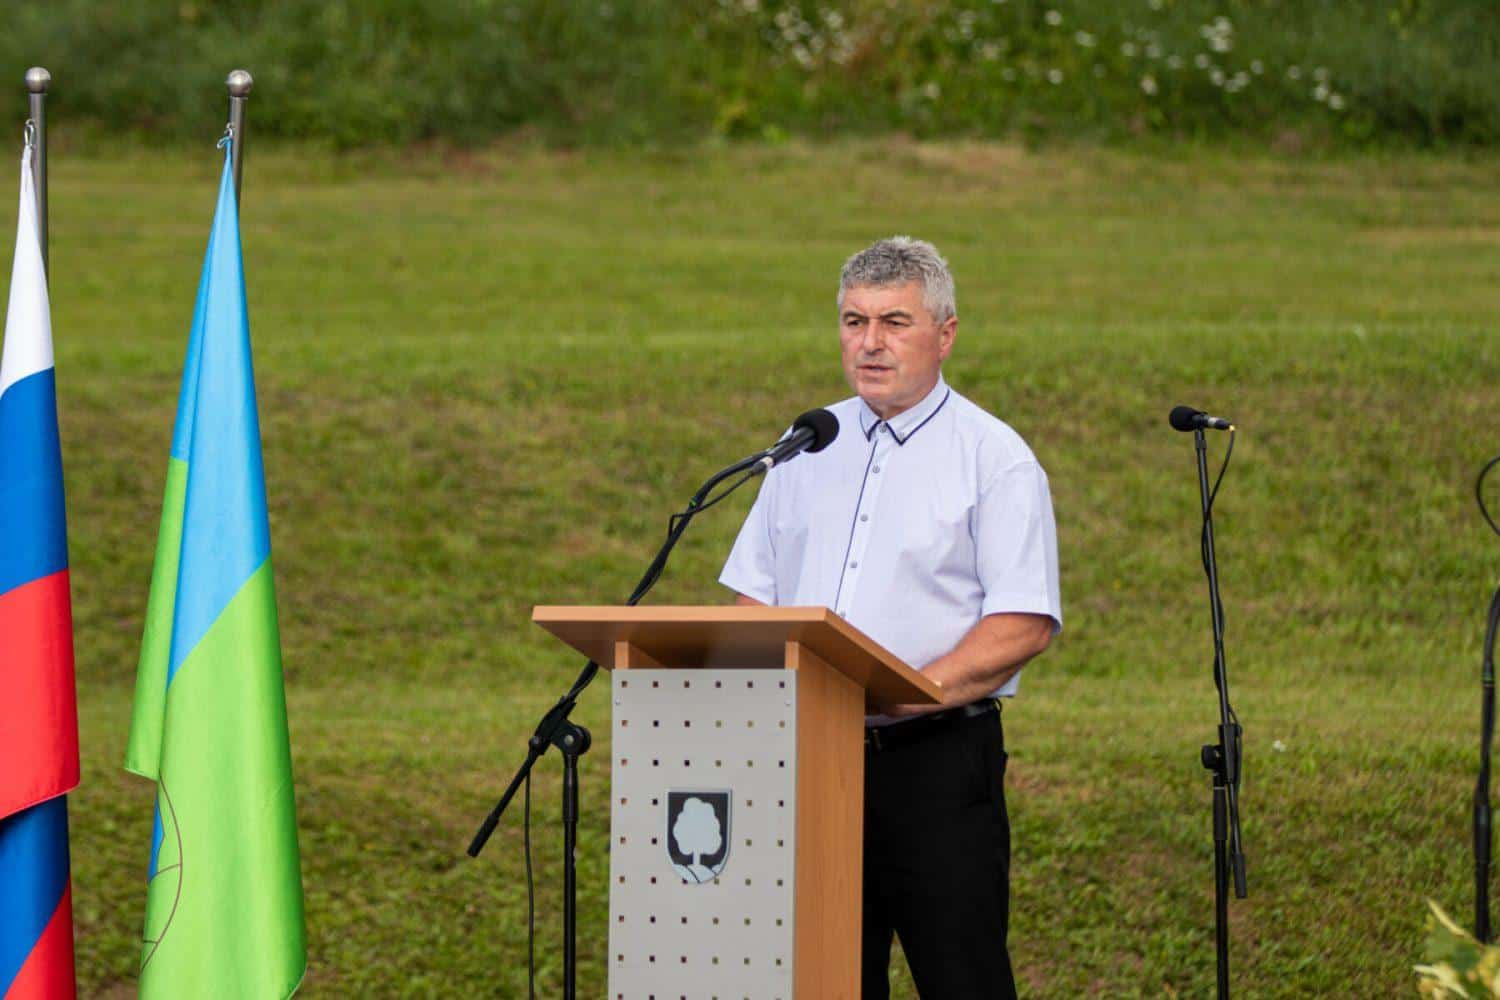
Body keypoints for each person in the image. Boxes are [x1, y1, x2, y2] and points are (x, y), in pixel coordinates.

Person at [719, 236, 1062, 998]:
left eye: (894, 322)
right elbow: (753, 601)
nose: (870, 342)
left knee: (963, 980)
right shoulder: (804, 448)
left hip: (937, 768)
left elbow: (1023, 623)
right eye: (854, 321)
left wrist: (908, 691)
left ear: (946, 334)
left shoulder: (993, 458)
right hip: (813, 763)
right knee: (827, 984)